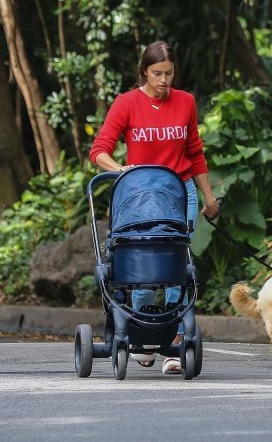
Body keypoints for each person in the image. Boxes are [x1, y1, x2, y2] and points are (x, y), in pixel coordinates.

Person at [89, 40, 219, 374]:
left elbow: (194, 151)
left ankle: (174, 343)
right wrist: (121, 171)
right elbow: (99, 150)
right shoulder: (127, 103)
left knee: (175, 266)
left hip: (180, 192)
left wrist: (208, 196)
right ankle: (141, 332)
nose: (164, 80)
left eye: (169, 73)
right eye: (157, 73)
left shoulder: (185, 102)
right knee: (144, 269)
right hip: (141, 197)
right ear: (144, 72)